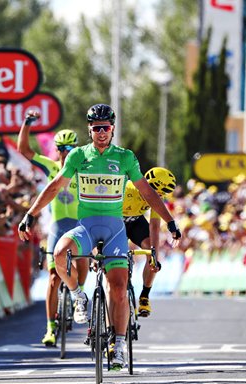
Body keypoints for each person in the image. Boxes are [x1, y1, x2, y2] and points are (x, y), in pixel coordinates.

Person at [18, 104, 182, 370]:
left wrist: (170, 222)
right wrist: (31, 214)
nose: (101, 132)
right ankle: (76, 294)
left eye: (106, 128)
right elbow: (55, 185)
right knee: (59, 253)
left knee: (118, 287)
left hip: (116, 229)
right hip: (86, 227)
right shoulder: (78, 156)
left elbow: (149, 193)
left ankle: (118, 345)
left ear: (113, 128)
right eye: (96, 128)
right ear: (89, 130)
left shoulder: (126, 157)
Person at [17, 110, 88, 347]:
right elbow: (24, 151)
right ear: (57, 149)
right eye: (63, 149)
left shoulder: (84, 167)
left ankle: (80, 297)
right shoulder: (50, 166)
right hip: (58, 226)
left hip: (79, 225)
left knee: (83, 262)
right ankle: (50, 326)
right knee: (52, 278)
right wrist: (27, 124)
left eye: (71, 148)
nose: (67, 153)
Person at [123, 167, 176, 317]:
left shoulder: (156, 196)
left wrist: (154, 257)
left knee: (152, 252)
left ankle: (145, 296)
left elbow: (154, 226)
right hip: (117, 223)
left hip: (136, 222)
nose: (159, 197)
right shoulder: (126, 189)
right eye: (158, 193)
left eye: (161, 195)